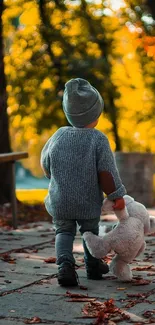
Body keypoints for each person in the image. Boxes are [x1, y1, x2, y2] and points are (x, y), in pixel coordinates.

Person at [40, 78, 126, 287]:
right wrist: (117, 195)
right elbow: (106, 173)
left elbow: (45, 162)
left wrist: (55, 177)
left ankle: (65, 266)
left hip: (61, 199)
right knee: (90, 232)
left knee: (63, 232)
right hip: (87, 201)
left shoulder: (58, 135)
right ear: (95, 115)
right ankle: (93, 265)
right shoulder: (98, 139)